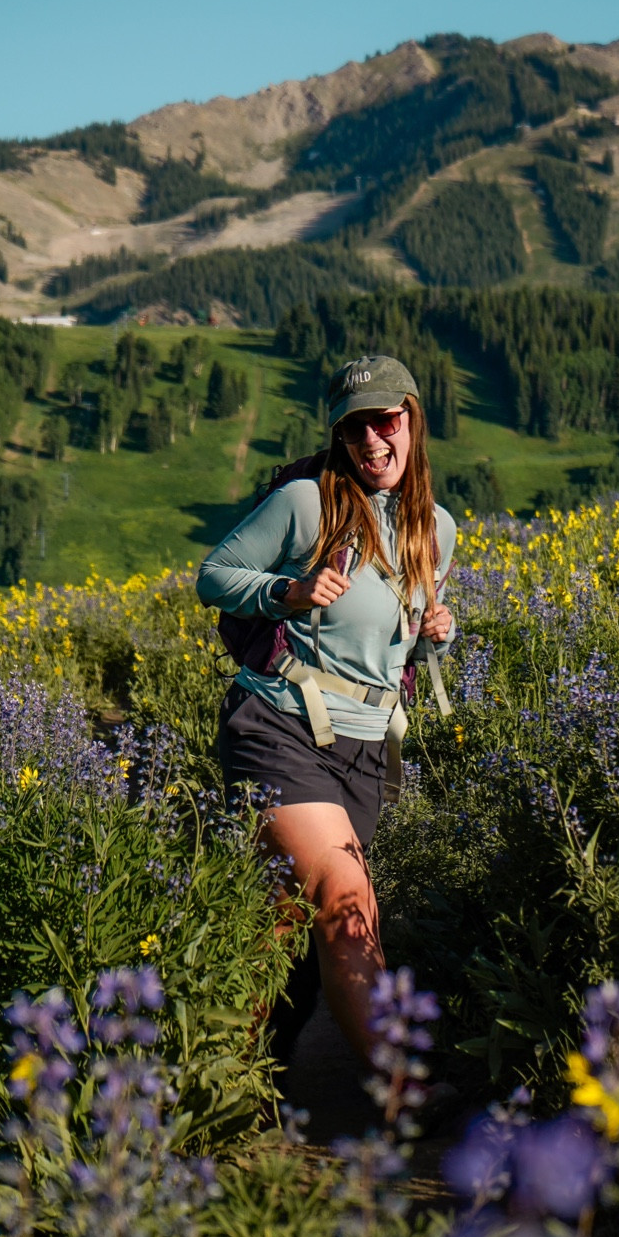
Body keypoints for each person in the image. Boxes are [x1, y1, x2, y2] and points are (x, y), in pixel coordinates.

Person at [196, 355, 456, 1060]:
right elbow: (213, 576)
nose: (372, 441)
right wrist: (289, 593)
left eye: (385, 421)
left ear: (411, 418)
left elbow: (395, 644)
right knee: (346, 896)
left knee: (284, 922)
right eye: (354, 429)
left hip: (366, 754)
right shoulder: (306, 502)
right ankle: (403, 1091)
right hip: (279, 726)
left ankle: (220, 1075)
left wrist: (440, 632)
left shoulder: (437, 528)